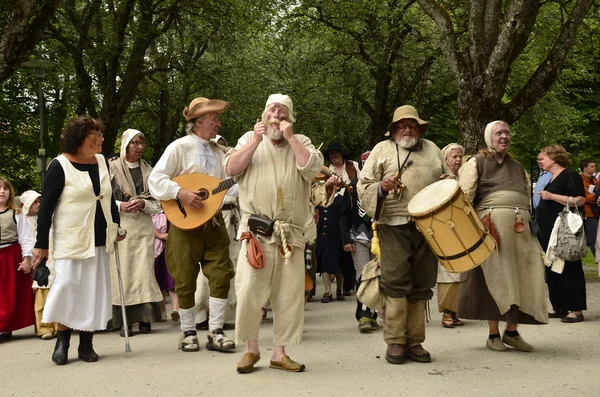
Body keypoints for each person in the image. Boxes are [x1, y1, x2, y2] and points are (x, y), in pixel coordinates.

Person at [225, 93, 336, 373]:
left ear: (290, 118)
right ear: (263, 116)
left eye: (283, 110)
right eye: (272, 109)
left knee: (288, 295)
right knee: (249, 290)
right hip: (256, 233)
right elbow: (231, 168)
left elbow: (311, 167)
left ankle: (279, 352)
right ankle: (251, 349)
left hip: (291, 233)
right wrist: (253, 141)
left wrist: (292, 138)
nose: (277, 114)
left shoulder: (302, 142)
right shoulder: (247, 140)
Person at [358, 105, 450, 364]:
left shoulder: (433, 149)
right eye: (402, 124)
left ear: (419, 128)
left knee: (422, 282)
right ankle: (396, 342)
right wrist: (381, 186)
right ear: (393, 129)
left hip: (428, 224)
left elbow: (449, 178)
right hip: (393, 223)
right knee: (397, 281)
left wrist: (447, 179)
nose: (407, 128)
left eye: (412, 124)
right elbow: (363, 184)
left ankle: (415, 341)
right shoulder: (381, 150)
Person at [32, 116, 124, 365]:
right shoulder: (60, 165)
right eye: (98, 135)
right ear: (84, 138)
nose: (102, 139)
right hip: (70, 238)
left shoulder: (103, 162)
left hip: (99, 236)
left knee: (92, 292)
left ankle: (87, 343)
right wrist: (41, 243)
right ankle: (63, 341)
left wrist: (116, 225)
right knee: (67, 287)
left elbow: (107, 197)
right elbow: (46, 208)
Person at [148, 97, 235, 353]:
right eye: (214, 119)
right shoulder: (179, 147)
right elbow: (156, 179)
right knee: (184, 277)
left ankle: (216, 331)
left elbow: (228, 185)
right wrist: (180, 193)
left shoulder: (220, 152)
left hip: (215, 222)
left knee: (221, 275)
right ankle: (188, 332)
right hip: (184, 223)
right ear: (198, 123)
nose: (218, 123)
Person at [457, 121, 547, 352]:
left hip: (520, 231)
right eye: (499, 133)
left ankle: (512, 332)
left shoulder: (517, 166)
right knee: (496, 278)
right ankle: (493, 335)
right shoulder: (476, 162)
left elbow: (526, 196)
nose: (504, 137)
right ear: (489, 137)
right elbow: (464, 198)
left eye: (507, 132)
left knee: (521, 277)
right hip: (492, 232)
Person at [109, 129, 163, 336]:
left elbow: (158, 202)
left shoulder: (150, 171)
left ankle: (145, 319)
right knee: (123, 271)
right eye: (135, 143)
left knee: (144, 271)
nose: (139, 147)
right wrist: (120, 205)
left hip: (142, 224)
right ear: (125, 145)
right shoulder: (111, 168)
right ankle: (125, 321)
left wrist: (143, 203)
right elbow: (101, 197)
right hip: (121, 224)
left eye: (142, 143)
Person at [194, 135, 240, 330]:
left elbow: (237, 189)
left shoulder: (230, 172)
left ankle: (220, 316)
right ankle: (201, 314)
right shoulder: (200, 172)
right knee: (205, 269)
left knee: (229, 267)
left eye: (222, 147)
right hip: (209, 219)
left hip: (232, 222)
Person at [536, 145, 586, 323]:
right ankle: (560, 307)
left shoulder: (569, 175)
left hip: (564, 230)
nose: (540, 160)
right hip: (549, 230)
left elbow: (579, 200)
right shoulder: (552, 177)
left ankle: (576, 309)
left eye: (543, 157)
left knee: (569, 266)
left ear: (554, 158)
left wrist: (551, 196)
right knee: (551, 266)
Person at [340, 150, 378, 332]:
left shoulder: (384, 187)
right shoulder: (352, 188)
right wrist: (346, 238)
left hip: (380, 238)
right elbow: (344, 216)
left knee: (378, 276)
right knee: (363, 275)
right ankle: (363, 315)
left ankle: (373, 313)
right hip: (359, 238)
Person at [316, 141, 358, 302]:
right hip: (330, 213)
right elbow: (320, 192)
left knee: (342, 257)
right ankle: (328, 292)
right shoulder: (327, 171)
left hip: (347, 211)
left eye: (336, 153)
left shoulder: (352, 167)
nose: (333, 157)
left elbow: (360, 185)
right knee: (327, 257)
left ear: (341, 155)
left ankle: (341, 289)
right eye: (331, 154)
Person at [0, 177, 35, 342]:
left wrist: (27, 258)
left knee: (9, 294)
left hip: (10, 254)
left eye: (5, 189)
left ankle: (6, 327)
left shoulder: (16, 213)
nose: (2, 192)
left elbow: (25, 236)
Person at [20, 189, 57, 339]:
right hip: (36, 262)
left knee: (54, 292)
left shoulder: (49, 218)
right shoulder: (22, 220)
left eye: (39, 201)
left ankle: (57, 326)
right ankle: (43, 327)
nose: (38, 204)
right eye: (34, 202)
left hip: (53, 259)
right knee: (41, 293)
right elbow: (24, 240)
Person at [437, 144, 465, 328]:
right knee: (447, 271)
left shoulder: (464, 177)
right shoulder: (440, 178)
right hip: (444, 229)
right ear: (446, 158)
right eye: (454, 156)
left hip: (462, 228)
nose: (458, 160)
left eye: (460, 156)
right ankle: (447, 311)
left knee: (461, 270)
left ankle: (455, 311)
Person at [152, 211, 179, 322]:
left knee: (172, 279)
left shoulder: (171, 210)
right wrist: (159, 235)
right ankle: (162, 311)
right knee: (159, 280)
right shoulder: (150, 209)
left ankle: (175, 310)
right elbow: (147, 225)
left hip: (171, 246)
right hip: (156, 248)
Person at [579, 159, 599, 256]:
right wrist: (596, 196)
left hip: (595, 213)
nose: (594, 168)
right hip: (587, 214)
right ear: (585, 168)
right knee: (593, 240)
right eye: (591, 166)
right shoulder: (580, 180)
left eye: (594, 166)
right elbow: (586, 197)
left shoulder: (595, 179)